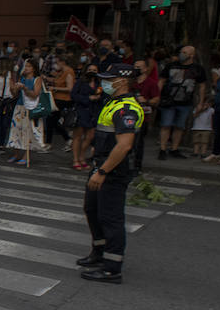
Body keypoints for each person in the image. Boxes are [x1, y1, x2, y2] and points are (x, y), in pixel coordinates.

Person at [78, 63, 144, 284]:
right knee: (92, 209)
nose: (103, 82)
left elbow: (124, 146)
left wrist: (103, 171)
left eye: (108, 79)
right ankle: (98, 253)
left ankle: (112, 269)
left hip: (113, 170)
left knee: (111, 217)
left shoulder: (127, 108)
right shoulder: (112, 103)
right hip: (101, 165)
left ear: (122, 81)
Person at [158, 46, 207, 159]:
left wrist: (201, 102)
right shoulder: (171, 65)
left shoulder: (198, 68)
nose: (181, 54)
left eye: (184, 52)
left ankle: (174, 148)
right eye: (181, 52)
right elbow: (161, 80)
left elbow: (202, 86)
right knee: (166, 124)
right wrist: (158, 96)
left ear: (191, 55)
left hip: (185, 101)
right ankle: (163, 148)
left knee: (179, 126)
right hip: (169, 100)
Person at [6, 59, 45, 166]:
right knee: (16, 130)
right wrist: (11, 83)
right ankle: (16, 153)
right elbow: (14, 93)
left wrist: (25, 88)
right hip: (20, 106)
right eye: (25, 66)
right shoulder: (22, 78)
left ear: (33, 68)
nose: (26, 68)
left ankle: (26, 155)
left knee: (29, 131)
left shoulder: (37, 79)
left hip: (31, 108)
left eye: (28, 66)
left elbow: (35, 94)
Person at [70, 64, 102, 171]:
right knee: (78, 136)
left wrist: (98, 98)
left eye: (94, 70)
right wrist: (88, 98)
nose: (92, 71)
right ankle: (76, 159)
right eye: (90, 70)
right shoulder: (80, 82)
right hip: (81, 111)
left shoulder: (99, 83)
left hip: (93, 112)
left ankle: (82, 156)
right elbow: (73, 95)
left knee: (90, 136)